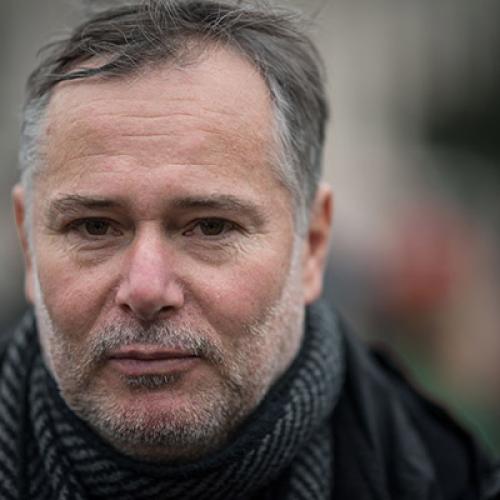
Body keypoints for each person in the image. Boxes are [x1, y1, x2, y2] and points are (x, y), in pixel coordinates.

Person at [1, 0, 498, 498]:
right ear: (28, 242)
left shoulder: (449, 479)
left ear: (312, 246)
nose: (146, 288)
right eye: (94, 227)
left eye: (210, 227)